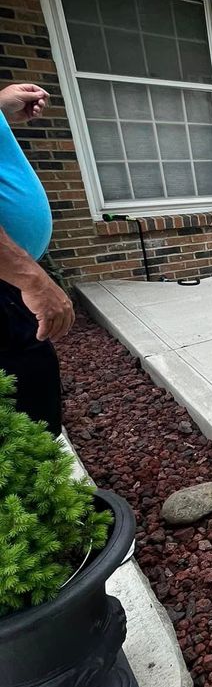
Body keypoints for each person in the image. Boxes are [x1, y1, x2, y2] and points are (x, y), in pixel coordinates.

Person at [0, 82, 74, 433]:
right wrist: (29, 277)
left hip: (8, 276)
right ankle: (39, 479)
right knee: (23, 387)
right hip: (7, 277)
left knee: (30, 373)